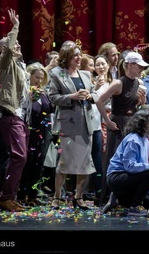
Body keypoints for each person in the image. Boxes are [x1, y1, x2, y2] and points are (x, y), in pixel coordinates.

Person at [47, 41, 99, 210]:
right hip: (67, 124)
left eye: (79, 55)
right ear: (66, 57)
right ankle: (57, 197)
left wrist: (90, 96)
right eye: (75, 55)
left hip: (85, 123)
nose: (78, 58)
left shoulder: (85, 74)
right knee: (64, 162)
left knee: (84, 162)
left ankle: (79, 197)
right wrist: (72, 97)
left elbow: (95, 94)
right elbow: (52, 97)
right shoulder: (57, 74)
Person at [95, 51, 149, 206]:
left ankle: (124, 197)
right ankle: (107, 196)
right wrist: (107, 121)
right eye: (138, 66)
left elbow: (137, 106)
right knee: (114, 160)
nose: (141, 69)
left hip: (131, 123)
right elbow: (99, 101)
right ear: (130, 65)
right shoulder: (119, 83)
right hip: (119, 123)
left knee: (131, 159)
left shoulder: (138, 83)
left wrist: (142, 102)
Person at [0, 9, 30, 212]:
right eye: (15, 44)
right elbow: (8, 49)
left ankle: (10, 196)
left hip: (20, 116)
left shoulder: (19, 66)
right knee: (19, 156)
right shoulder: (4, 62)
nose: (18, 46)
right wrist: (15, 26)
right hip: (9, 114)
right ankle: (5, 197)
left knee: (20, 158)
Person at [103, 108, 149, 216]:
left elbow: (141, 167)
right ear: (143, 123)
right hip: (117, 177)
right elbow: (130, 166)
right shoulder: (133, 140)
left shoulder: (145, 139)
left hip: (129, 176)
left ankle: (118, 199)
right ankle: (134, 207)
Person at [17, 62, 54, 206]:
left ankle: (33, 194)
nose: (39, 81)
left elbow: (50, 109)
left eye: (41, 78)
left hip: (44, 132)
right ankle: (22, 194)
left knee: (39, 165)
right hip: (28, 132)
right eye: (36, 77)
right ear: (29, 76)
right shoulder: (24, 91)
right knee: (27, 164)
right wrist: (30, 97)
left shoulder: (43, 92)